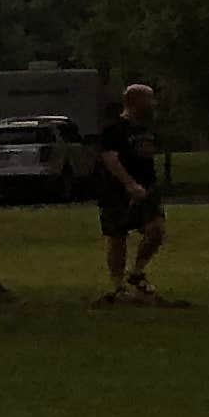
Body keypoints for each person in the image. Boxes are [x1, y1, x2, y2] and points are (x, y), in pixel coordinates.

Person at [90, 82, 168, 303]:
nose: (154, 104)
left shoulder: (145, 129)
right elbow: (110, 158)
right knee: (117, 237)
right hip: (116, 192)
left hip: (147, 190)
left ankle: (137, 273)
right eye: (150, 99)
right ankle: (117, 286)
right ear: (136, 101)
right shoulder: (114, 128)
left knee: (156, 229)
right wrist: (129, 184)